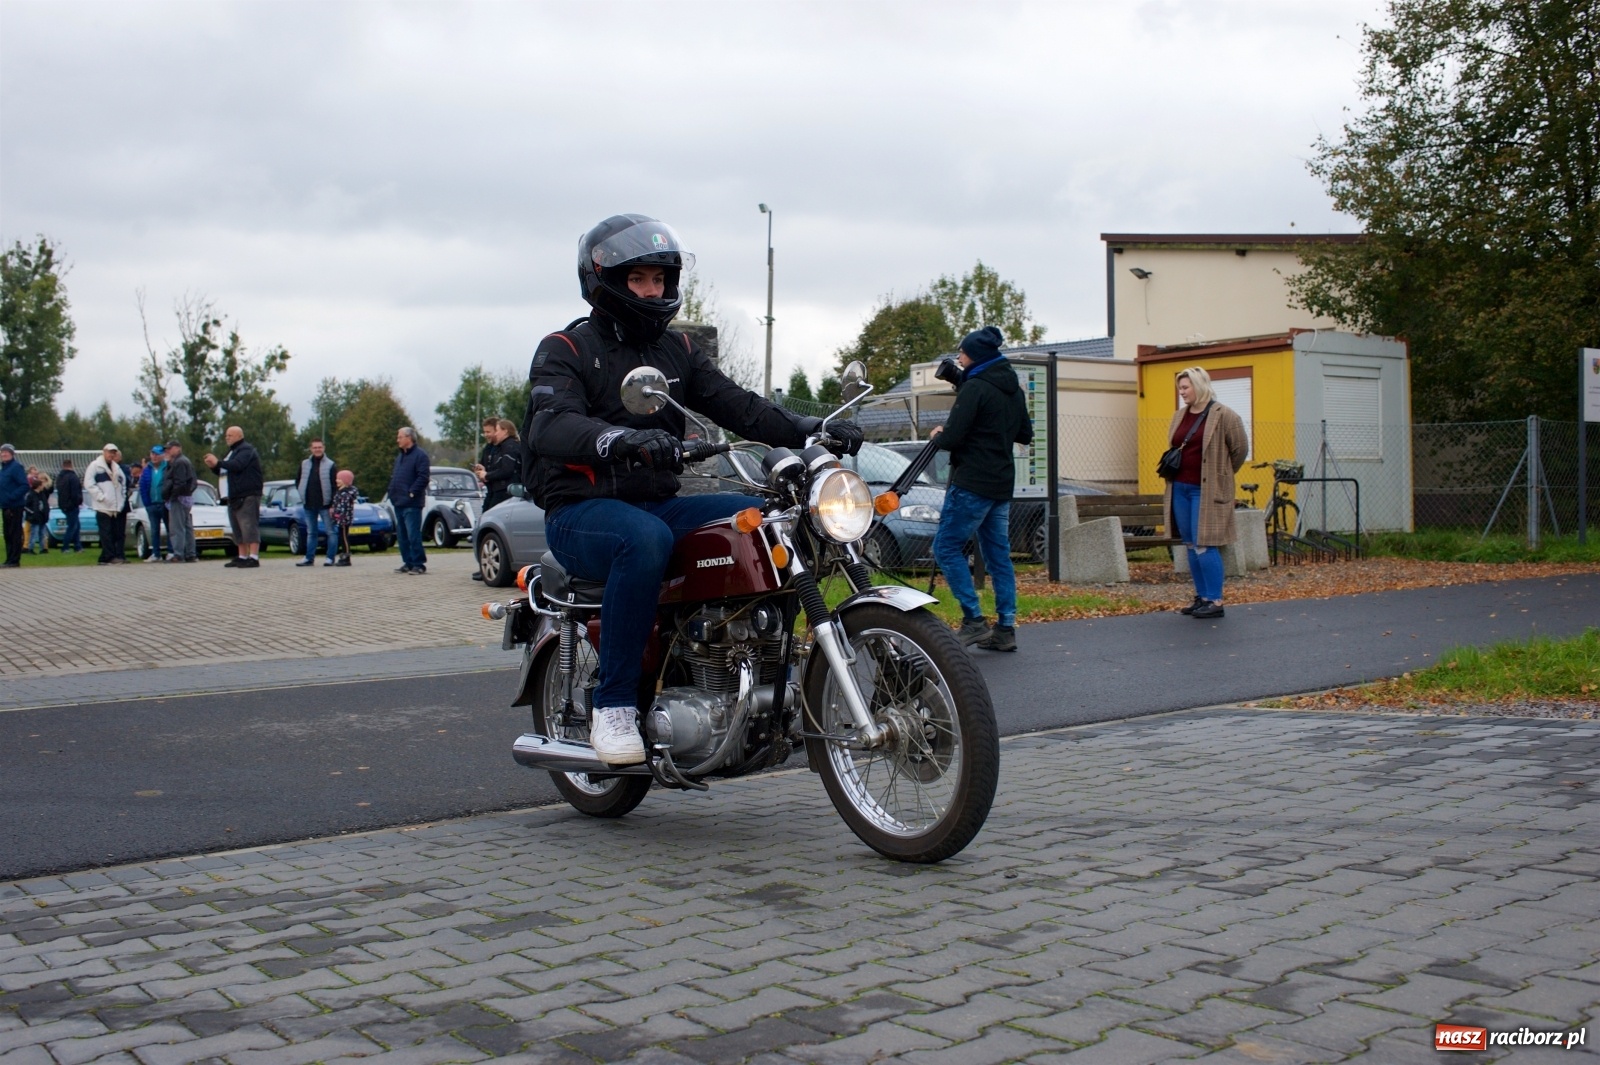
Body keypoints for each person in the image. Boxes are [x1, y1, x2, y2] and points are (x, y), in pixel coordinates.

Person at [526, 213, 861, 766]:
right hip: (580, 512)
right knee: (644, 540)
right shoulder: (565, 348)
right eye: (639, 280)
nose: (652, 290)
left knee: (774, 516)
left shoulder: (676, 349)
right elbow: (551, 424)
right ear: (602, 280)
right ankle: (613, 708)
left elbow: (738, 405)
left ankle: (764, 669)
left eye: (660, 279)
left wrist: (812, 428)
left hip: (657, 504)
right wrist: (620, 439)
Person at [928, 326, 1033, 653]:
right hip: (1001, 483)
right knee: (998, 555)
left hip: (972, 482)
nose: (958, 357)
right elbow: (1024, 434)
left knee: (945, 547)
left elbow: (953, 437)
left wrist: (938, 434)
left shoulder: (975, 388)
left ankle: (973, 619)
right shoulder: (1012, 389)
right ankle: (1006, 627)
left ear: (976, 355)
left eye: (963, 352)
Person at [1165, 366, 1250, 620]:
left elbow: (1240, 451)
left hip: (1207, 491)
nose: (1181, 392)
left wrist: (1220, 475)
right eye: (1180, 388)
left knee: (1205, 544)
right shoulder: (1180, 415)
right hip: (1179, 488)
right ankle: (1202, 597)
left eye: (1185, 387)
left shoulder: (1225, 415)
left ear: (1199, 386)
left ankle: (1215, 600)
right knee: (1191, 545)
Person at [205, 426, 264, 569]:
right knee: (237, 528)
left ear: (239, 436)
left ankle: (253, 557)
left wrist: (218, 462)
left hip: (247, 494)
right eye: (226, 435)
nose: (227, 438)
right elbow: (225, 470)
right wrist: (214, 466)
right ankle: (242, 556)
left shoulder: (246, 450)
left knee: (248, 525)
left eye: (230, 435)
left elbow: (237, 465)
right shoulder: (232, 452)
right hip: (232, 495)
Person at [388, 426, 430, 575]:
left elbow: (423, 477)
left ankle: (419, 564)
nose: (397, 440)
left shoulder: (420, 456)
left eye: (400, 437)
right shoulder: (400, 457)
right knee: (402, 536)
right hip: (398, 501)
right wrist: (391, 492)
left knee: (413, 534)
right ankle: (408, 562)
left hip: (412, 503)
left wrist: (412, 492)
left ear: (409, 438)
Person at [295, 439, 340, 567]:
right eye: (315, 447)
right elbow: (298, 480)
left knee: (330, 531)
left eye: (319, 447)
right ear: (311, 449)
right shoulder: (304, 464)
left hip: (325, 505)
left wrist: (332, 504)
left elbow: (334, 485)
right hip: (308, 504)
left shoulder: (331, 465)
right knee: (311, 532)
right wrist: (301, 492)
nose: (317, 449)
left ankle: (330, 558)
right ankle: (309, 558)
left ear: (324, 448)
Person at [84, 444, 129, 565]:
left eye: (114, 452)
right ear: (104, 452)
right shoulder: (95, 466)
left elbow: (123, 485)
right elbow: (88, 483)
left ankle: (105, 557)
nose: (111, 455)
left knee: (115, 533)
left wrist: (121, 499)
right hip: (102, 507)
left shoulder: (117, 468)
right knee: (106, 533)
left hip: (115, 507)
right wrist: (101, 497)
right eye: (109, 452)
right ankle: (109, 556)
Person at [162, 440, 199, 563]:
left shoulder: (180, 462)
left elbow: (180, 482)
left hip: (179, 498)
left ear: (178, 448)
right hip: (185, 498)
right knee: (187, 526)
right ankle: (190, 554)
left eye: (170, 448)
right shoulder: (181, 461)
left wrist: (172, 496)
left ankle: (178, 554)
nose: (167, 451)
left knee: (177, 528)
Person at [476, 418, 521, 512]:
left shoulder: (510, 446)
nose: (495, 434)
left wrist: (487, 475)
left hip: (506, 493)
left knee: (490, 519)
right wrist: (484, 471)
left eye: (497, 430)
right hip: (495, 491)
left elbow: (507, 470)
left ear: (505, 431)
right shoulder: (494, 448)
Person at [138, 445, 168, 561]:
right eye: (152, 454)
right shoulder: (147, 470)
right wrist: (147, 504)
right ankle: (156, 553)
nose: (154, 457)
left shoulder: (167, 467)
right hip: (152, 505)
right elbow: (143, 487)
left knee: (169, 528)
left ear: (162, 455)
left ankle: (170, 551)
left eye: (157, 454)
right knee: (154, 530)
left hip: (164, 503)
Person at [0, 444, 27, 568]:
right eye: (2, 452)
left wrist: (12, 497)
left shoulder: (16, 467)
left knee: (14, 533)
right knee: (7, 533)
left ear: (12, 454)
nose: (3, 454)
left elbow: (24, 485)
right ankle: (9, 559)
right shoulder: (4, 469)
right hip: (5, 506)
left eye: (6, 452)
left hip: (15, 506)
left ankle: (14, 560)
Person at [329, 469, 359, 567]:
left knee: (344, 537)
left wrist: (338, 516)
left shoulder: (345, 494)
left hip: (344, 519)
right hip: (341, 518)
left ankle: (346, 557)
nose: (336, 481)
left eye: (339, 479)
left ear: (345, 481)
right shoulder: (341, 492)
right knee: (342, 537)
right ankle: (344, 555)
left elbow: (343, 507)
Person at [55, 459, 83, 553]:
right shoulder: (73, 477)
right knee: (72, 526)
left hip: (63, 504)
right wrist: (78, 502)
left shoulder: (59, 477)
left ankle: (77, 546)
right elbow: (75, 493)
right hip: (72, 505)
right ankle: (65, 546)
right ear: (71, 465)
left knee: (76, 525)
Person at [25, 471, 53, 554]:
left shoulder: (42, 494)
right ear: (38, 486)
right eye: (41, 485)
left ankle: (43, 548)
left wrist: (46, 512)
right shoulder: (30, 495)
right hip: (35, 517)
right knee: (34, 533)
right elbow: (26, 506)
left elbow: (45, 505)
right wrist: (32, 513)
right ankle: (30, 548)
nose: (43, 487)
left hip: (42, 517)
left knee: (42, 533)